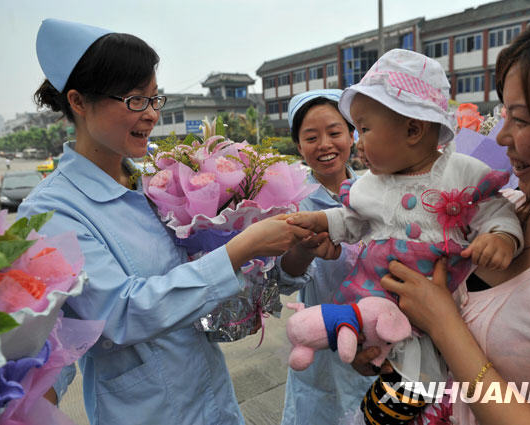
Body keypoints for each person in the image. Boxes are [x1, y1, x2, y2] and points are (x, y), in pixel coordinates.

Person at [19, 18, 312, 425]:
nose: (152, 115)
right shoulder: (51, 211)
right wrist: (239, 249)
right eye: (135, 100)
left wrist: (286, 250)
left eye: (155, 99)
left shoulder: (157, 187)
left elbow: (198, 286)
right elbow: (119, 312)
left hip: (214, 400)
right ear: (78, 102)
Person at [378, 6, 530, 424]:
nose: (501, 137)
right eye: (503, 115)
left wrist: (443, 322)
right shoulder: (502, 210)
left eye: (520, 119)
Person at [287, 49, 523, 423]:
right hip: (377, 294)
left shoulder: (459, 172)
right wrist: (321, 221)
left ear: (413, 130)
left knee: (418, 374)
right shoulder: (370, 185)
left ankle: (407, 407)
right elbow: (351, 220)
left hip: (435, 304)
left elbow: (495, 208)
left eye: (364, 129)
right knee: (374, 347)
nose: (358, 141)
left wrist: (502, 237)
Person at [277, 89, 378, 425]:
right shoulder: (293, 202)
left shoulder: (377, 191)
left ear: (352, 135)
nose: (325, 145)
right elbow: (284, 278)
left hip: (378, 337)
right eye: (311, 137)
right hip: (322, 349)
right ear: (298, 146)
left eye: (335, 132)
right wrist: (303, 250)